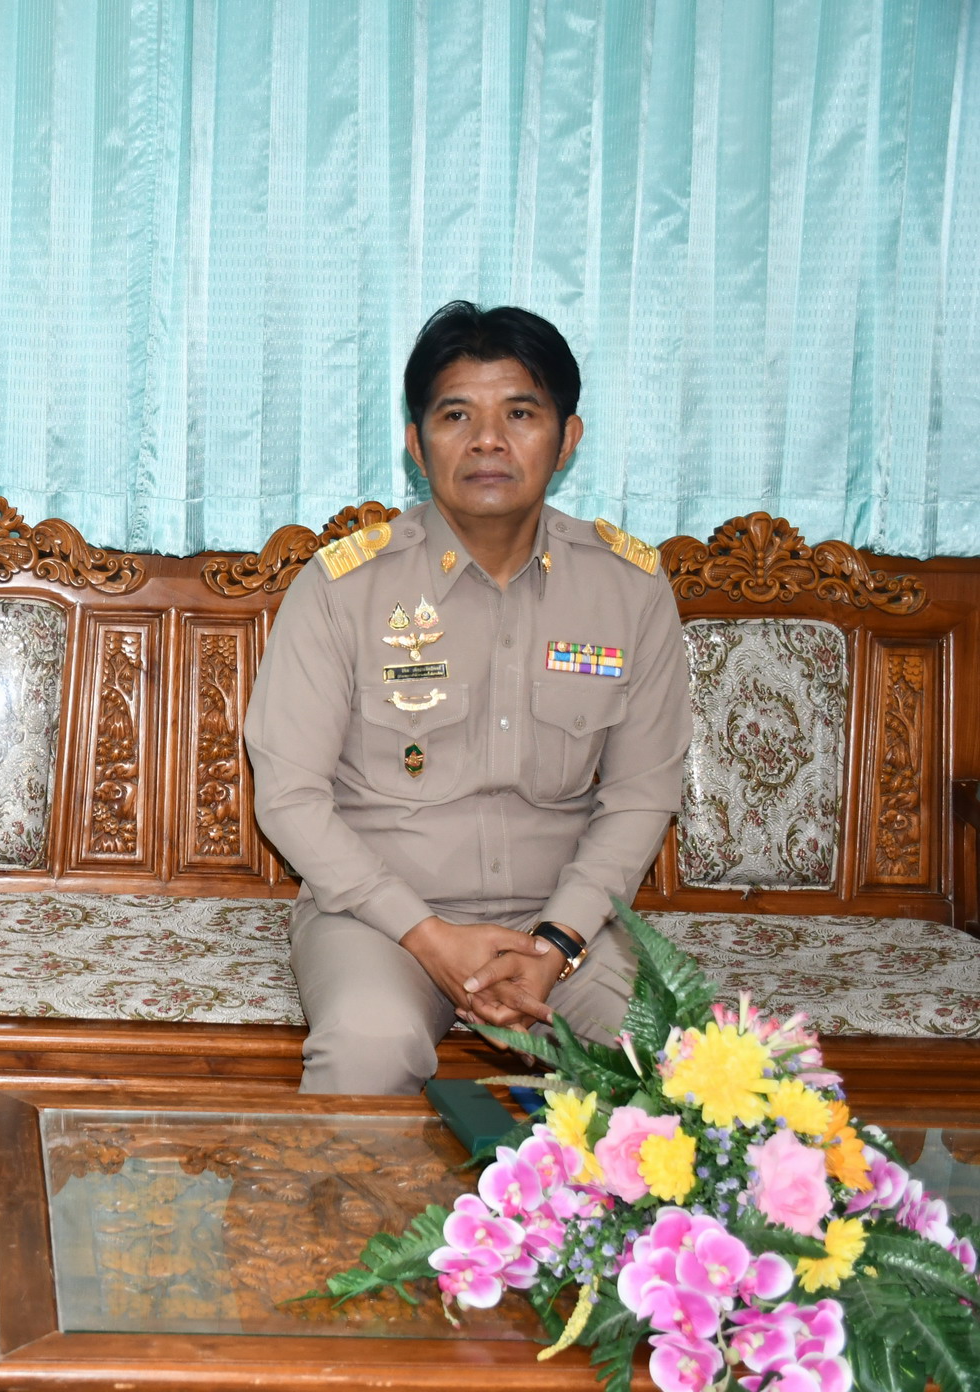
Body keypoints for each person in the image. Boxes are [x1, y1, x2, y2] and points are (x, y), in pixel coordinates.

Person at [243, 300, 692, 1096]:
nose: (488, 440)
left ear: (567, 439)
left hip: (567, 925)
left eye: (520, 413)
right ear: (417, 445)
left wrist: (558, 941)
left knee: (676, 1062)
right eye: (457, 415)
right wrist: (427, 934)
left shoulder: (628, 588)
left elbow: (640, 793)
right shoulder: (345, 587)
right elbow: (289, 794)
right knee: (367, 1047)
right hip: (378, 921)